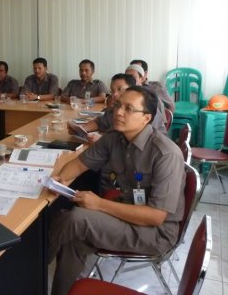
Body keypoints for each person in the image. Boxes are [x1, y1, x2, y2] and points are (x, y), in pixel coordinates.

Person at [48, 86, 186, 295]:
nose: (119, 112)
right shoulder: (114, 138)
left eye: (129, 108)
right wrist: (60, 179)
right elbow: (79, 164)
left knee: (77, 218)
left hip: (155, 232)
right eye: (118, 106)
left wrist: (99, 204)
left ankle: (31, 267)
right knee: (74, 237)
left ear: (146, 118)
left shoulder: (166, 154)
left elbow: (156, 216)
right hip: (128, 210)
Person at [70, 73, 135, 142]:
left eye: (120, 89)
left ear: (133, 91)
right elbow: (100, 122)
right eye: (112, 91)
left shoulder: (137, 112)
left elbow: (128, 140)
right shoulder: (113, 109)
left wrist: (103, 140)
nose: (115, 94)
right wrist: (81, 129)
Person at [125, 64, 168, 134]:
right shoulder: (128, 94)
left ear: (142, 79)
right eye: (126, 78)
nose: (128, 81)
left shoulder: (148, 96)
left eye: (132, 77)